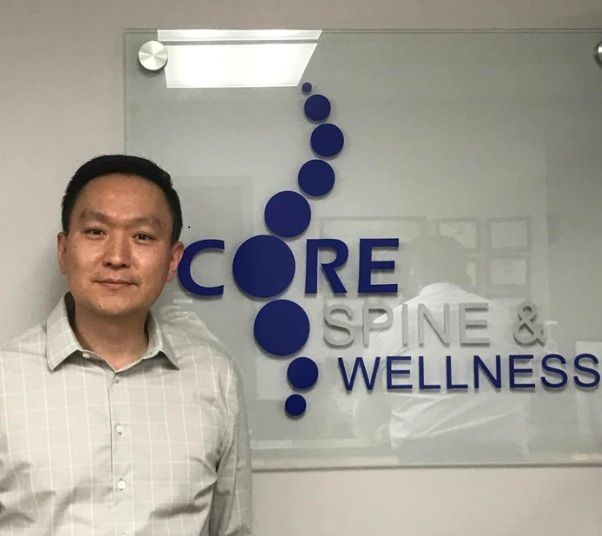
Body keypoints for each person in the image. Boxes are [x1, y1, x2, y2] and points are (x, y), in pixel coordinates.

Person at [0, 155, 252, 535]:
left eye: (142, 236)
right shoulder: (6, 380)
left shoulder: (215, 377)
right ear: (64, 250)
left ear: (172, 260)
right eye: (96, 231)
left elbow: (232, 528)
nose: (117, 257)